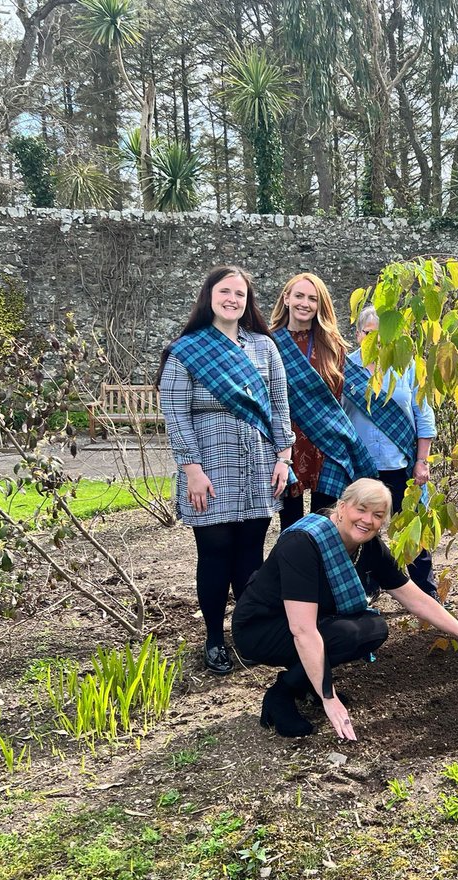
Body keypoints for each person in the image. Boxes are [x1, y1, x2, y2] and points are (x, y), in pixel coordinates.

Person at [232, 479, 458, 739]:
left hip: (309, 623)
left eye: (377, 514)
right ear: (341, 507)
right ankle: (281, 694)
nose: (367, 520)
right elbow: (303, 630)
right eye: (360, 509)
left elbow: (416, 599)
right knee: (343, 635)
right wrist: (331, 699)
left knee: (371, 629)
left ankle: (307, 681)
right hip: (261, 627)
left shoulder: (368, 546)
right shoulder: (303, 544)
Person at [158, 265, 295, 675]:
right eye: (225, 291)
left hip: (258, 459)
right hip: (209, 461)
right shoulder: (186, 349)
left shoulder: (263, 347)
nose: (232, 299)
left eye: (240, 293)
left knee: (251, 554)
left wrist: (283, 458)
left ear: (247, 301)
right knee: (215, 553)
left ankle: (247, 634)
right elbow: (175, 413)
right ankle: (215, 639)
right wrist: (192, 468)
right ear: (209, 296)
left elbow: (279, 403)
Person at [341, 305, 439, 598]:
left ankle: (426, 593)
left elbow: (424, 414)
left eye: (382, 336)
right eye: (368, 334)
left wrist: (422, 461)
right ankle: (367, 588)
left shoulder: (406, 366)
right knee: (362, 530)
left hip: (400, 464)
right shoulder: (344, 369)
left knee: (413, 529)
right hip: (361, 467)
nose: (375, 341)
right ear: (358, 334)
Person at [269, 272, 376, 530]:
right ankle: (294, 569)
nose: (305, 303)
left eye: (312, 299)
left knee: (325, 522)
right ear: (286, 299)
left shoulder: (332, 345)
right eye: (299, 296)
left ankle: (321, 569)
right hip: (287, 444)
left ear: (320, 305)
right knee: (290, 523)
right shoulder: (268, 342)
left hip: (328, 445)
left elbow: (341, 395)